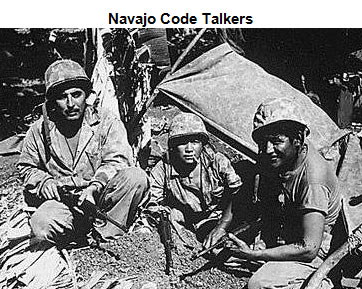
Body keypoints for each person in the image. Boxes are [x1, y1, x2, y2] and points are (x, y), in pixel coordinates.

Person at [17, 59, 149, 245]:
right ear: (53, 101)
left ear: (86, 95)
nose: (71, 103)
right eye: (63, 97)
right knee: (42, 224)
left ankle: (106, 236)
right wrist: (43, 182)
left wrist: (94, 187)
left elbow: (118, 160)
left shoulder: (106, 121)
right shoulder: (39, 130)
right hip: (63, 202)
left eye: (76, 94)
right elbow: (26, 167)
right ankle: (75, 237)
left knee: (136, 177)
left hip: (100, 199)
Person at [224, 97, 342, 289]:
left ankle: (321, 283)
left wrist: (256, 255)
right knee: (226, 252)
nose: (268, 149)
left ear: (298, 139)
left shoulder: (313, 179)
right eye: (263, 142)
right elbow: (249, 183)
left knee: (258, 284)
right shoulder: (281, 156)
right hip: (285, 228)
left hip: (315, 247)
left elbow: (309, 248)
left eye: (277, 141)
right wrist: (223, 225)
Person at [145, 112, 242, 250]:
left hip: (223, 217)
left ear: (202, 144)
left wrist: (222, 224)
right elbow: (152, 203)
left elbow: (238, 193)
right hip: (191, 222)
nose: (189, 149)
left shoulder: (217, 162)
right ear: (173, 146)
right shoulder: (163, 169)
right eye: (182, 143)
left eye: (195, 142)